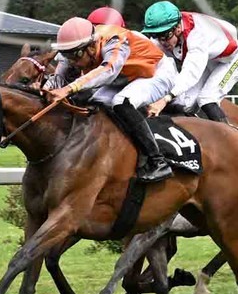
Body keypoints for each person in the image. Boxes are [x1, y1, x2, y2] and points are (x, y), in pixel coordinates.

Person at [49, 16, 176, 182]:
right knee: (95, 103)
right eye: (68, 57)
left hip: (156, 73)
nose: (74, 63)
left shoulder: (114, 41)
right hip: (126, 76)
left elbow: (109, 70)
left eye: (76, 56)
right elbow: (59, 75)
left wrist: (69, 88)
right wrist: (47, 89)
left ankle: (157, 161)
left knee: (121, 102)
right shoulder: (77, 47)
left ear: (91, 47)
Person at [139, 0, 238, 123]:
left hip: (232, 60)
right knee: (186, 104)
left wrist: (165, 99)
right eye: (155, 35)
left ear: (178, 28)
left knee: (207, 99)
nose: (162, 41)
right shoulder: (164, 37)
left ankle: (227, 133)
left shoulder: (197, 36)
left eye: (164, 35)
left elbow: (190, 74)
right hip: (209, 60)